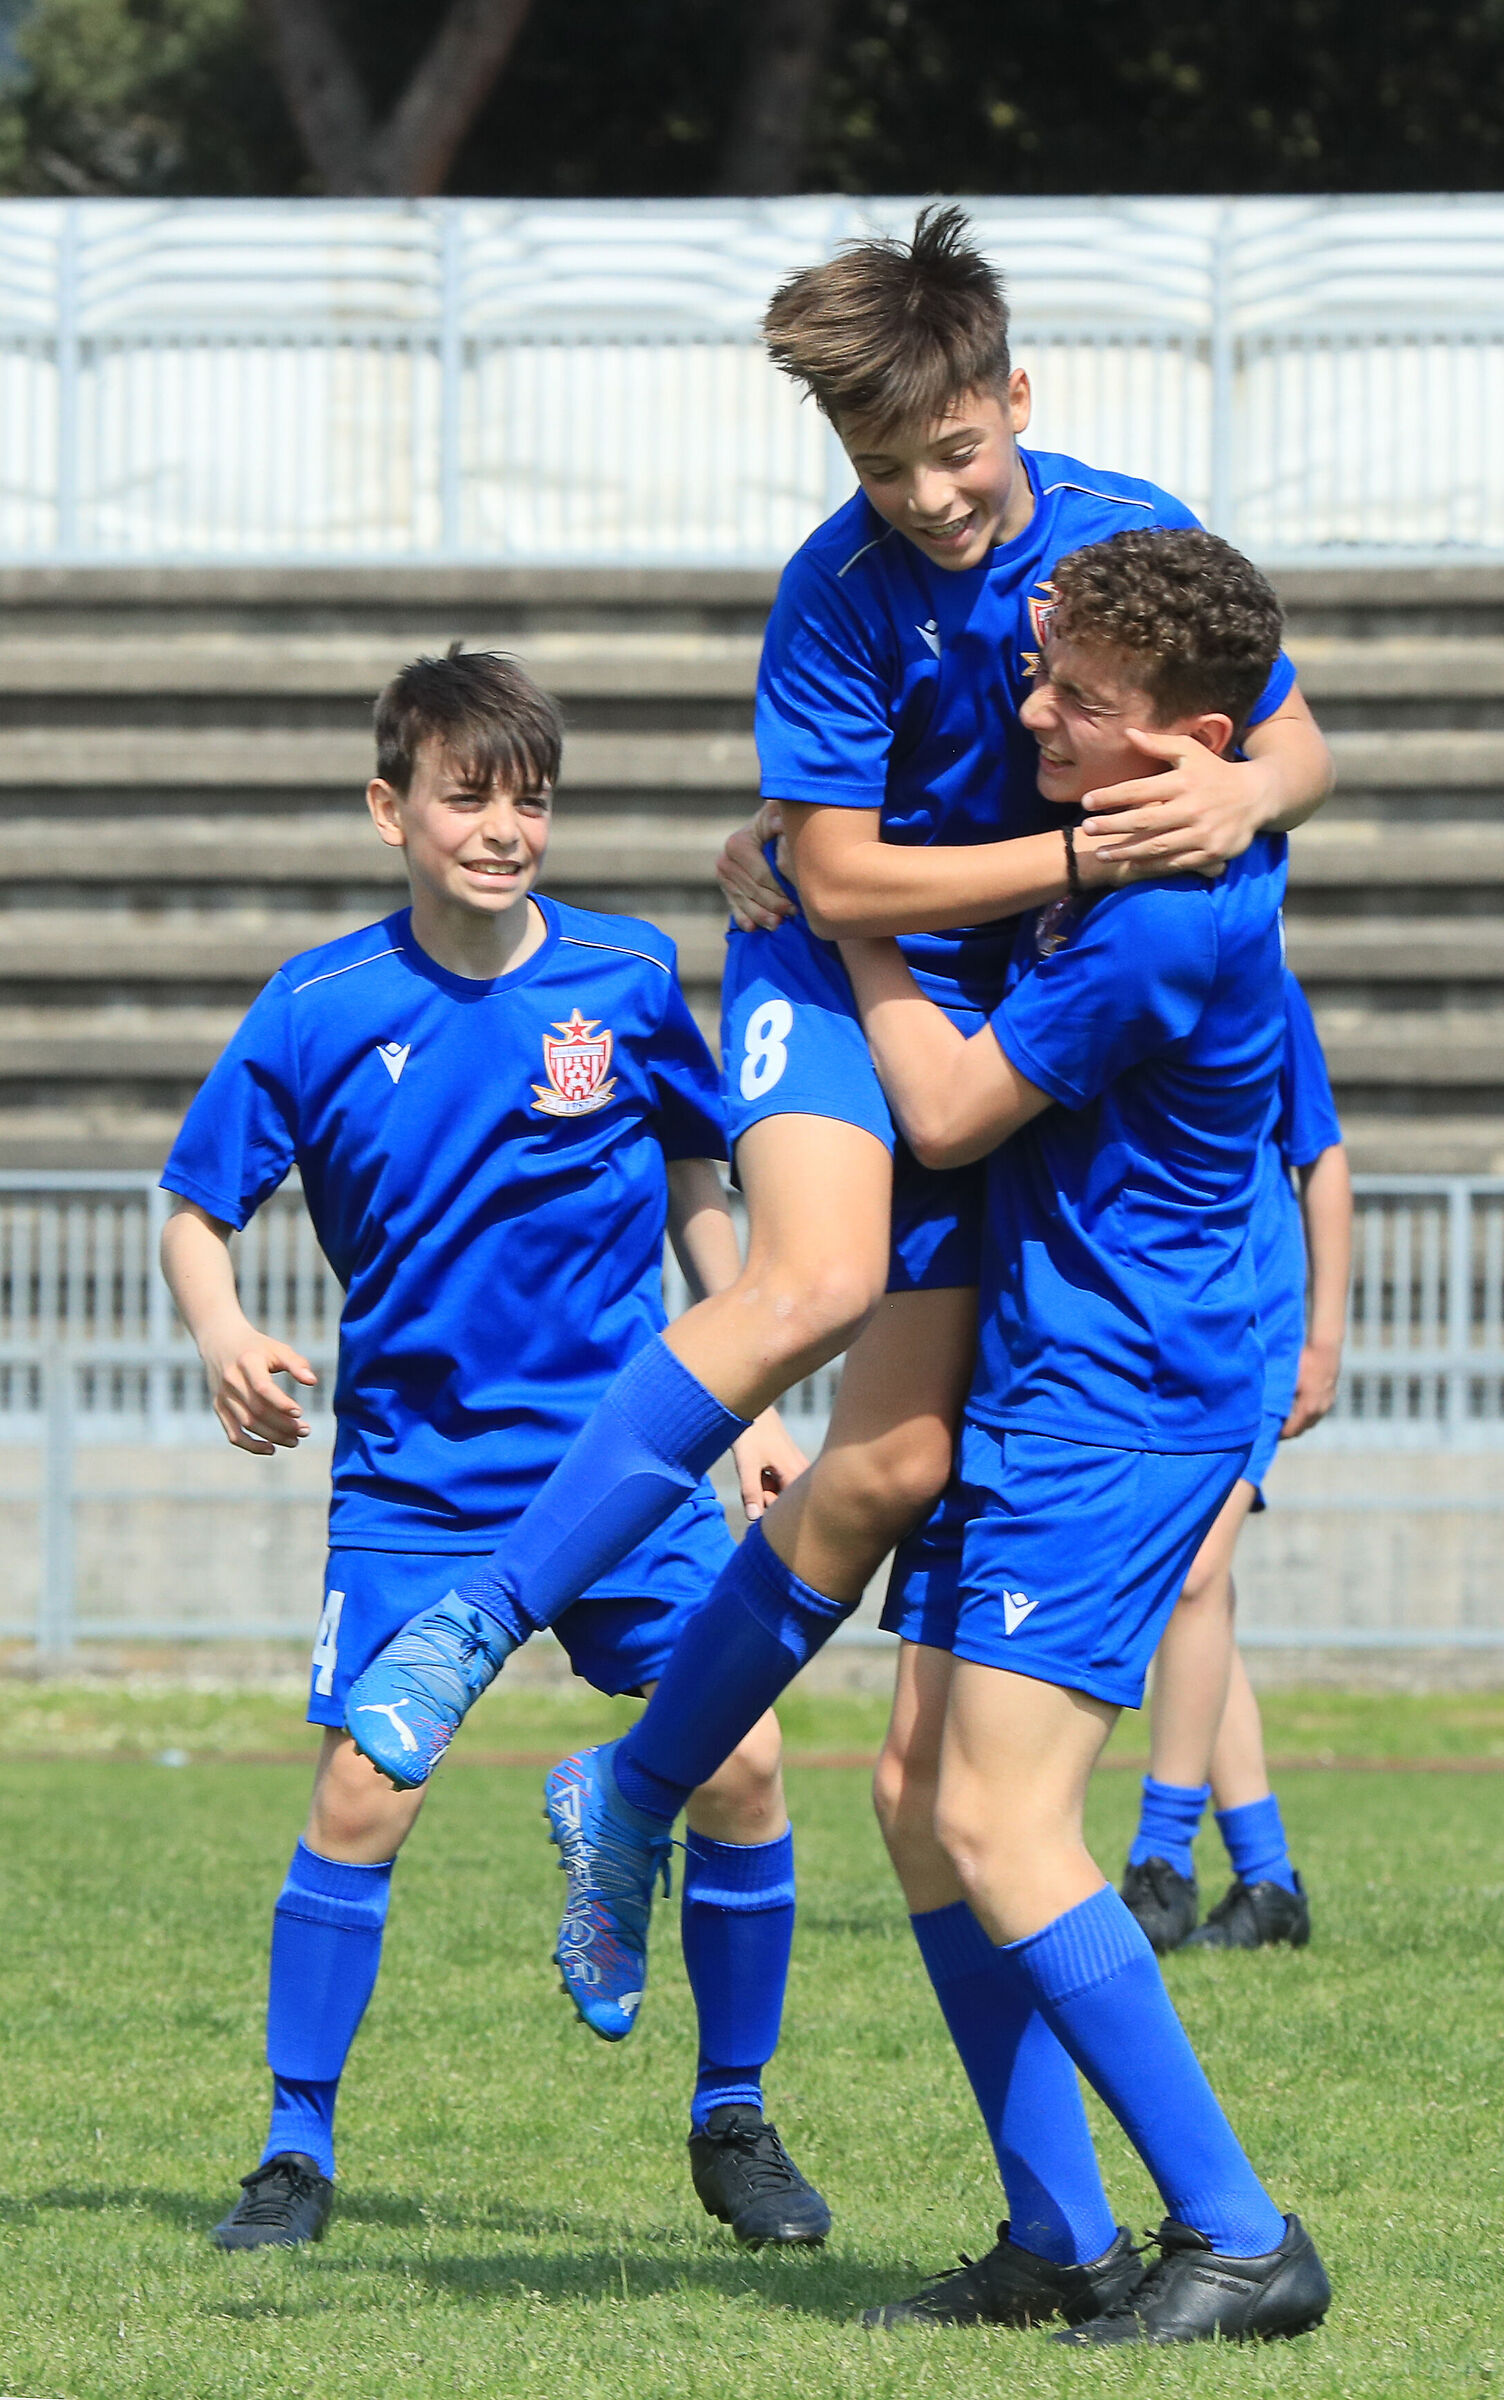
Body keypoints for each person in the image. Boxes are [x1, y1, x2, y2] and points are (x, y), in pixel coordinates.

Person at [343, 208, 1335, 1931]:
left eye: (955, 452)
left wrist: (1250, 793)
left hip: (990, 1004)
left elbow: (1290, 726)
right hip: (840, 963)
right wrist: (1086, 865)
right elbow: (844, 879)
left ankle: (635, 1788)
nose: (933, 497)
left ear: (1016, 396)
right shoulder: (835, 594)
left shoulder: (1126, 541)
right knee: (809, 1278)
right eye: (887, 468)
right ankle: (475, 1624)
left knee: (884, 1471)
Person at [539, 528, 1333, 2346]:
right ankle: (1056, 2234)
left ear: (1197, 739)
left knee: (997, 1814)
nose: (1036, 713)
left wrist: (840, 917)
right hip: (1052, 1367)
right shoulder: (1143, 832)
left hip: (1125, 1394)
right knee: (914, 1801)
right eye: (1044, 676)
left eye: (1086, 703)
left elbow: (958, 1108)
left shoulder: (1168, 906)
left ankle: (1236, 2235)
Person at [160, 647, 828, 2256]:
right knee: (361, 1794)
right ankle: (294, 2151)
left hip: (632, 1467)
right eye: (470, 797)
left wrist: (755, 1394)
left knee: (741, 1762)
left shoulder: (619, 972)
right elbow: (195, 1204)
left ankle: (733, 2116)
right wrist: (226, 1331)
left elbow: (697, 1184)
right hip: (416, 1480)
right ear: (391, 809)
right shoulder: (318, 1007)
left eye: (531, 799)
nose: (506, 828)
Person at [1122, 976, 1351, 1954]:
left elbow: (1321, 1157)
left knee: (1190, 1575)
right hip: (1152, 1328)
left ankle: (1159, 1864)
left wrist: (1326, 1340)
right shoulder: (1097, 966)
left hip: (1251, 1324)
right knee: (1197, 1602)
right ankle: (1267, 1883)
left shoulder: (1259, 980)